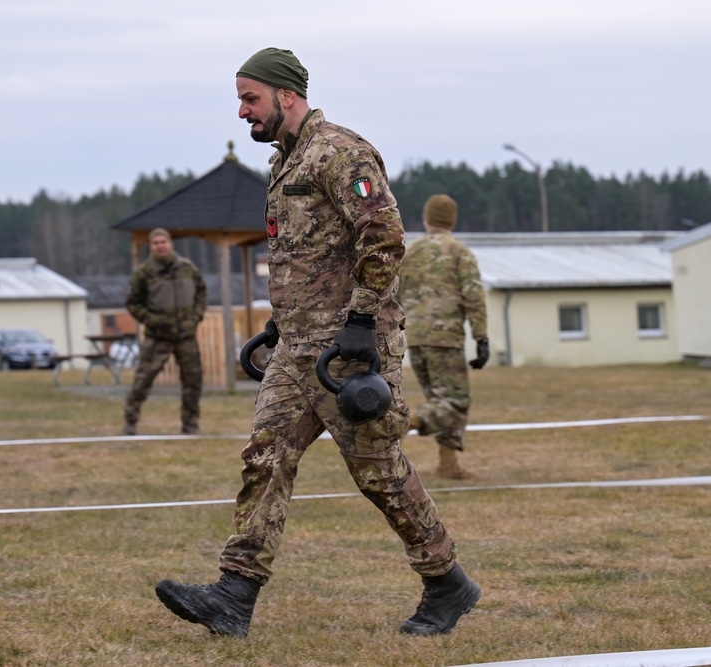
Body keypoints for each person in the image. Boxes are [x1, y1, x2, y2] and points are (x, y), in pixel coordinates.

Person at [154, 48, 480, 638]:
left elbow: (382, 238)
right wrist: (281, 322)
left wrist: (360, 321)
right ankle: (234, 594)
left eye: (249, 99)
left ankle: (446, 582)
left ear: (286, 95)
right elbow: (303, 254)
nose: (241, 112)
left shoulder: (340, 152)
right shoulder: (283, 164)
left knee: (377, 472)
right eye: (240, 99)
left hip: (350, 348)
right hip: (298, 344)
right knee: (266, 456)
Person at [398, 194, 490, 479]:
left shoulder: (409, 253)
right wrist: (481, 337)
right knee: (455, 401)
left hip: (415, 338)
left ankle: (448, 465)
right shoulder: (460, 252)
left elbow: (394, 294)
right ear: (452, 220)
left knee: (440, 399)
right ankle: (406, 422)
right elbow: (474, 297)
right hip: (446, 339)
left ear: (426, 220)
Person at [123, 228, 207, 435]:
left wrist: (196, 316)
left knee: (193, 381)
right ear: (151, 247)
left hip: (186, 335)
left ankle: (190, 424)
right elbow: (133, 303)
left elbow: (201, 292)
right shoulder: (144, 273)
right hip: (157, 337)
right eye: (155, 243)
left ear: (170, 244)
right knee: (143, 379)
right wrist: (153, 321)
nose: (160, 246)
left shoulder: (187, 268)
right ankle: (130, 421)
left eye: (163, 242)